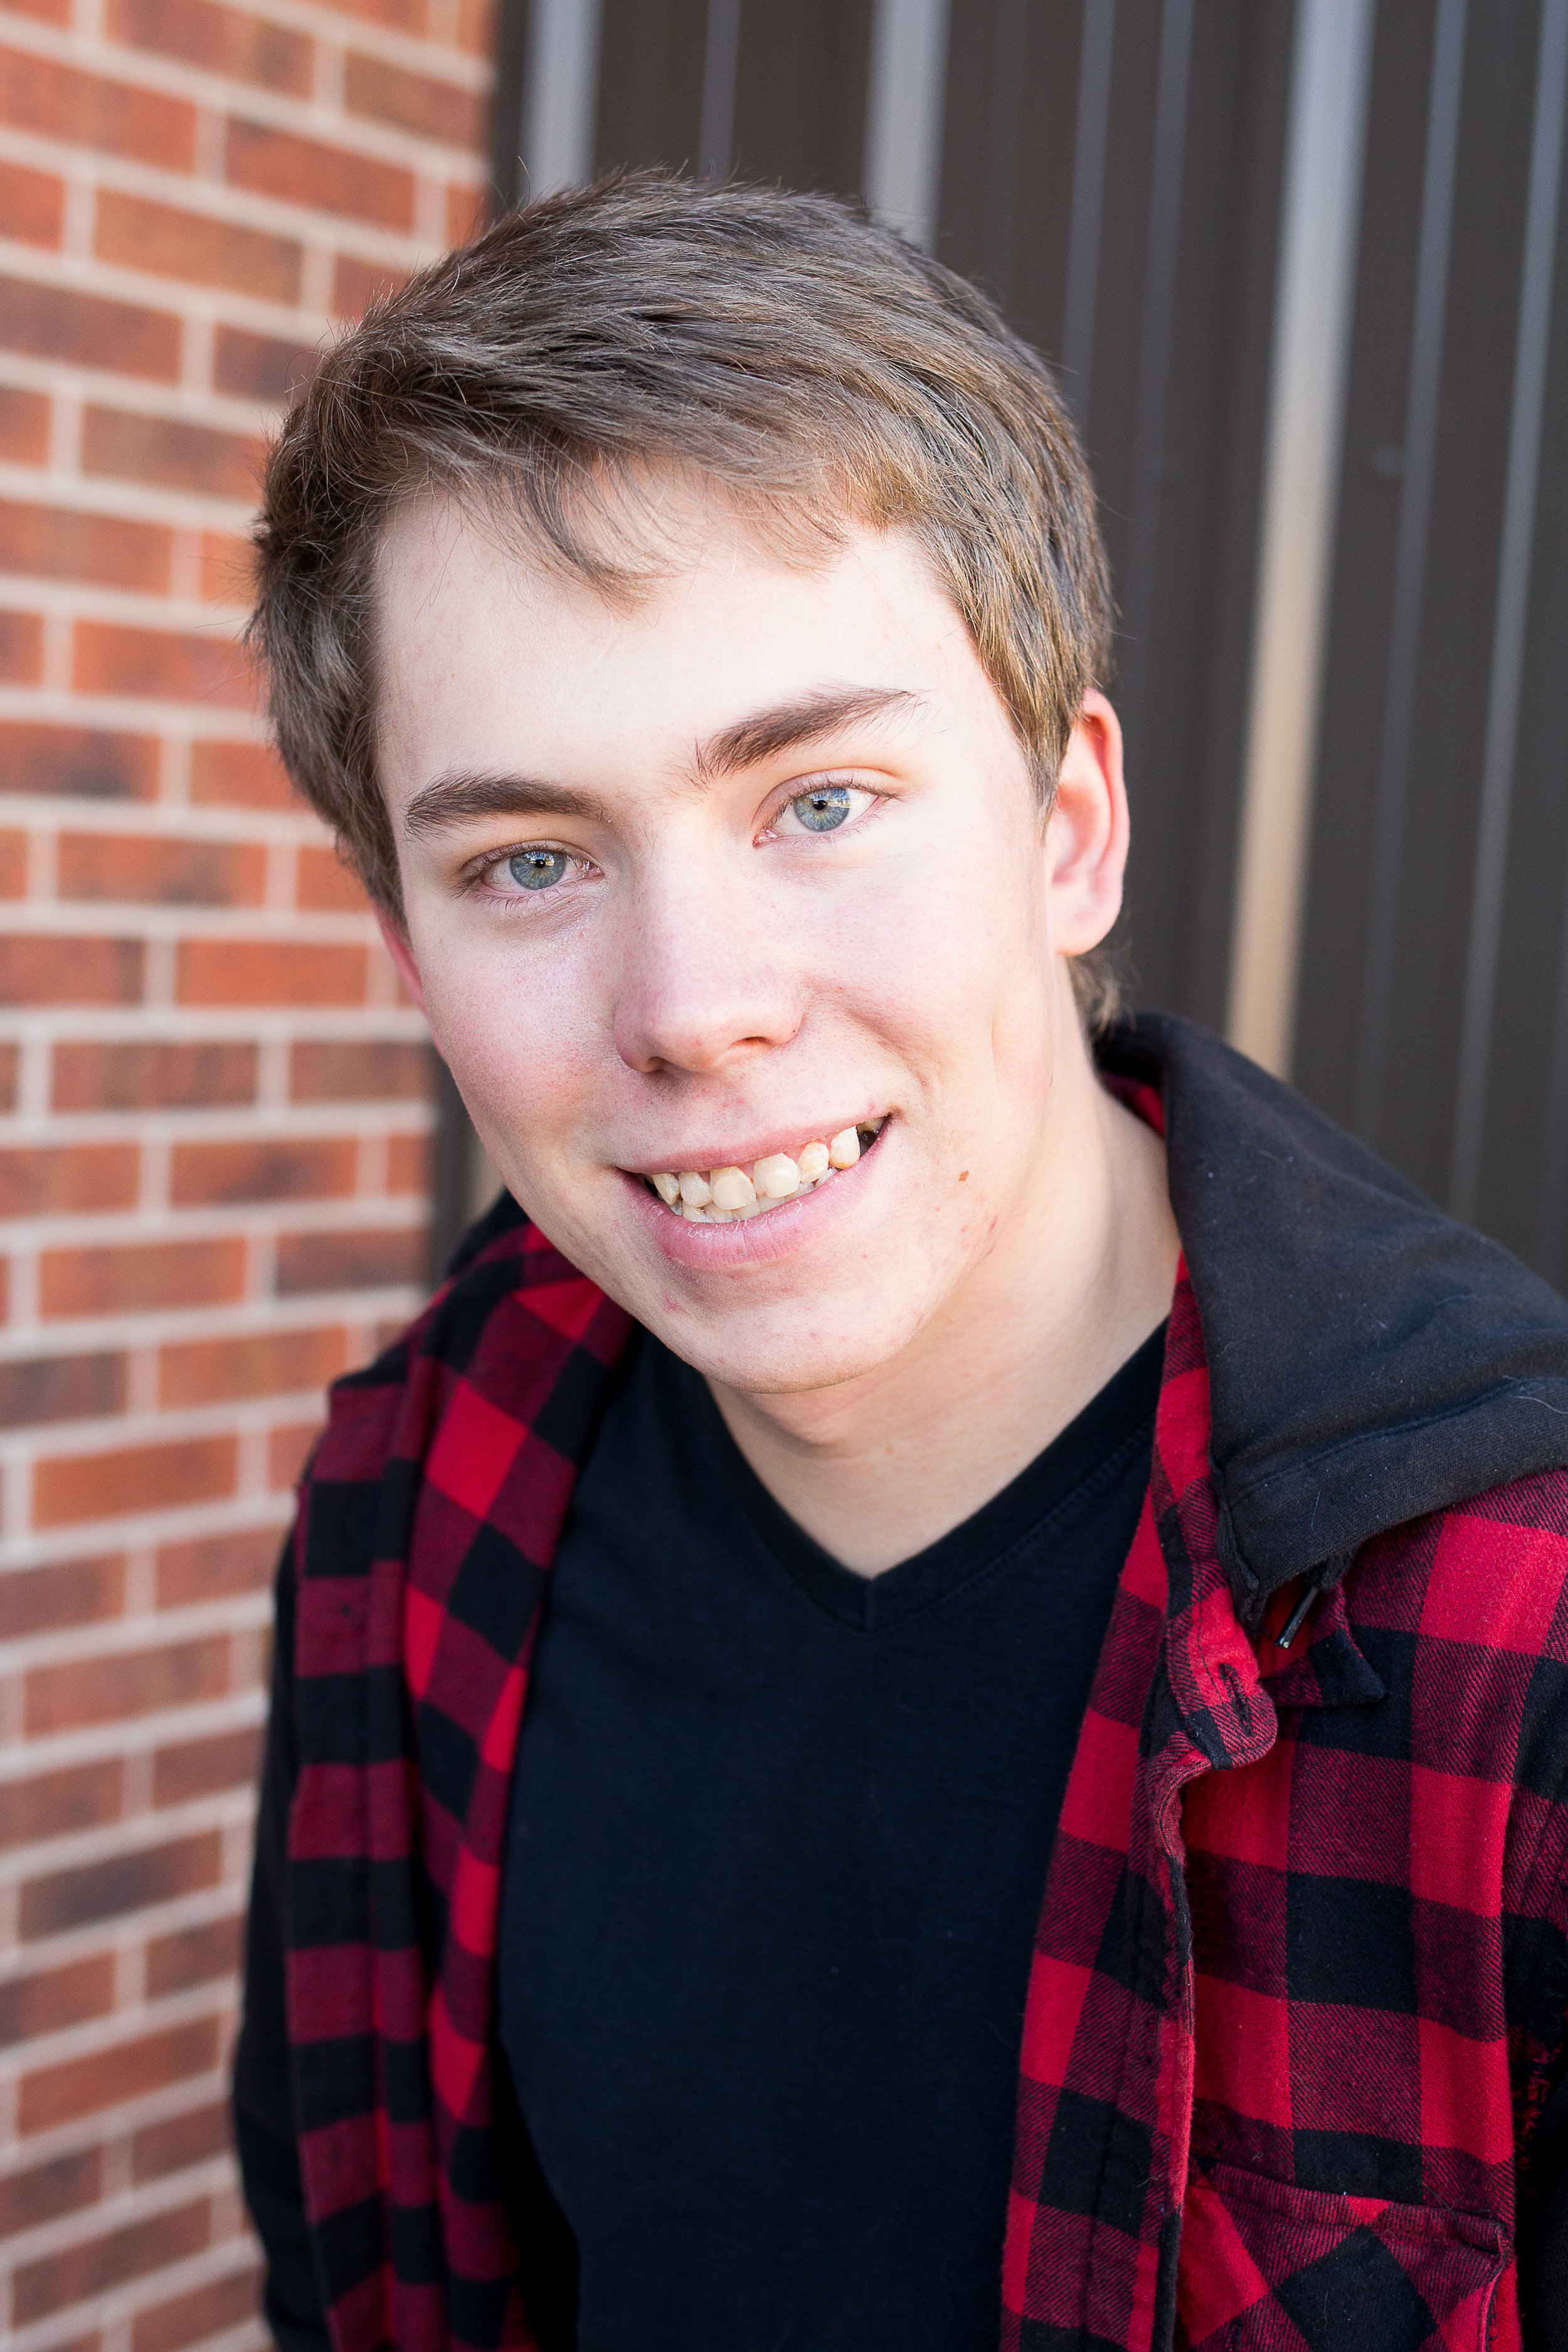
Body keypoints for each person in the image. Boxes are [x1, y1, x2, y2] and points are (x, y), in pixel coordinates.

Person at [234, 171, 1568, 2352]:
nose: (695, 1003)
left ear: (1068, 827)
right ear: (408, 952)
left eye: (818, 801)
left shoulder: (1510, 1643)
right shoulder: (411, 1498)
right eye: (531, 859)